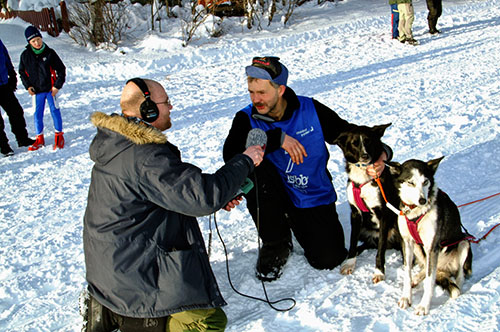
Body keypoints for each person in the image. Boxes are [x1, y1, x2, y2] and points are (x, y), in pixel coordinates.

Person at [82, 77, 264, 332]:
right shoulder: (144, 156)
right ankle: (134, 319)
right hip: (134, 273)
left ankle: (111, 311)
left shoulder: (118, 144)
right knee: (208, 322)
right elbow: (202, 196)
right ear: (148, 109)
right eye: (165, 102)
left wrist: (218, 196)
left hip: (113, 266)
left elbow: (171, 194)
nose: (170, 107)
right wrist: (244, 160)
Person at [223, 56, 390, 281]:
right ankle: (276, 242)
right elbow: (230, 154)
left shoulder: (310, 109)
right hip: (273, 194)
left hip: (311, 193)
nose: (255, 99)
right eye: (251, 92)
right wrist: (277, 139)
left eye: (262, 92)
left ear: (280, 89)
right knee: (253, 166)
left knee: (328, 259)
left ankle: (299, 223)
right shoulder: (245, 117)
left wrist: (382, 154)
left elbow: (348, 134)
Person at [19, 25, 66, 151]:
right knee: (37, 114)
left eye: (38, 39)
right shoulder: (25, 55)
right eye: (33, 41)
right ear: (29, 42)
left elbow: (61, 69)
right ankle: (39, 138)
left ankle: (59, 136)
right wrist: (28, 86)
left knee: (55, 111)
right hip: (37, 91)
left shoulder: (50, 53)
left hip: (50, 90)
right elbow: (22, 72)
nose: (37, 43)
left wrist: (57, 86)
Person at [0, 38, 35, 156]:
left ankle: (22, 138)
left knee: (16, 111)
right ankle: (3, 146)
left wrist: (12, 74)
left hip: (4, 84)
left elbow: (5, 57)